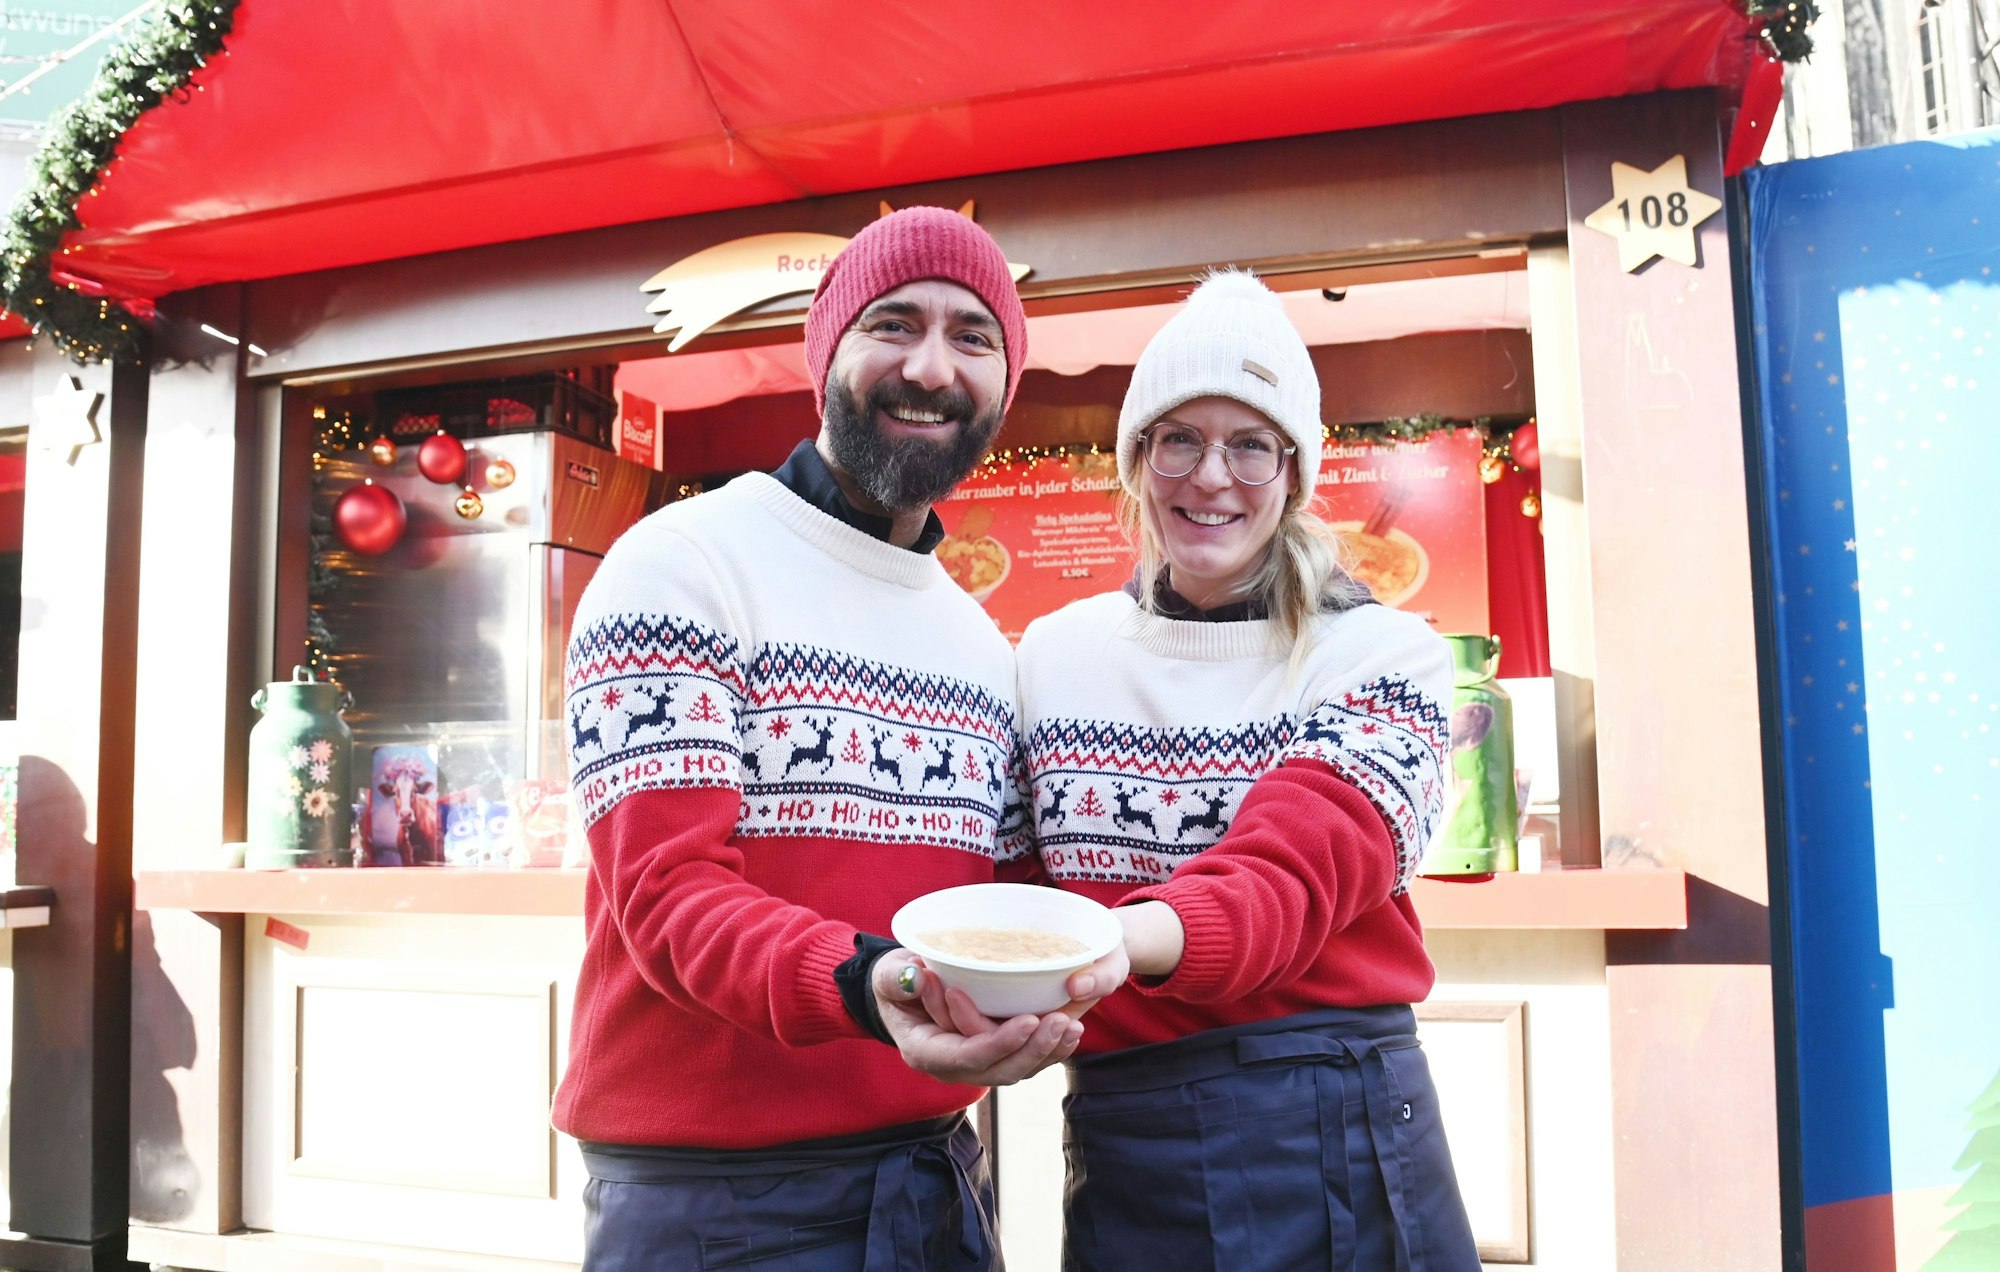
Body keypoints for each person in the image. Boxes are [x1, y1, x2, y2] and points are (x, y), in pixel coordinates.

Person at [554, 206, 1099, 1271]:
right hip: (714, 1201)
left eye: (973, 337)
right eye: (893, 325)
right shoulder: (684, 564)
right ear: (825, 354)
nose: (931, 368)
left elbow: (1015, 903)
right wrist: (870, 984)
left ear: (1003, 386)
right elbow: (666, 894)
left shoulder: (980, 642)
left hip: (936, 1175)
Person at [1011, 271, 1482, 1270]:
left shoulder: (1382, 654)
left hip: (1331, 1111)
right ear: (1136, 459)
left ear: (1293, 473)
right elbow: (1006, 881)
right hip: (1125, 1125)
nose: (1211, 477)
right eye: (1179, 438)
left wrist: (1109, 940)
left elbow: (1295, 868)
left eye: (1251, 444)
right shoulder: (1052, 657)